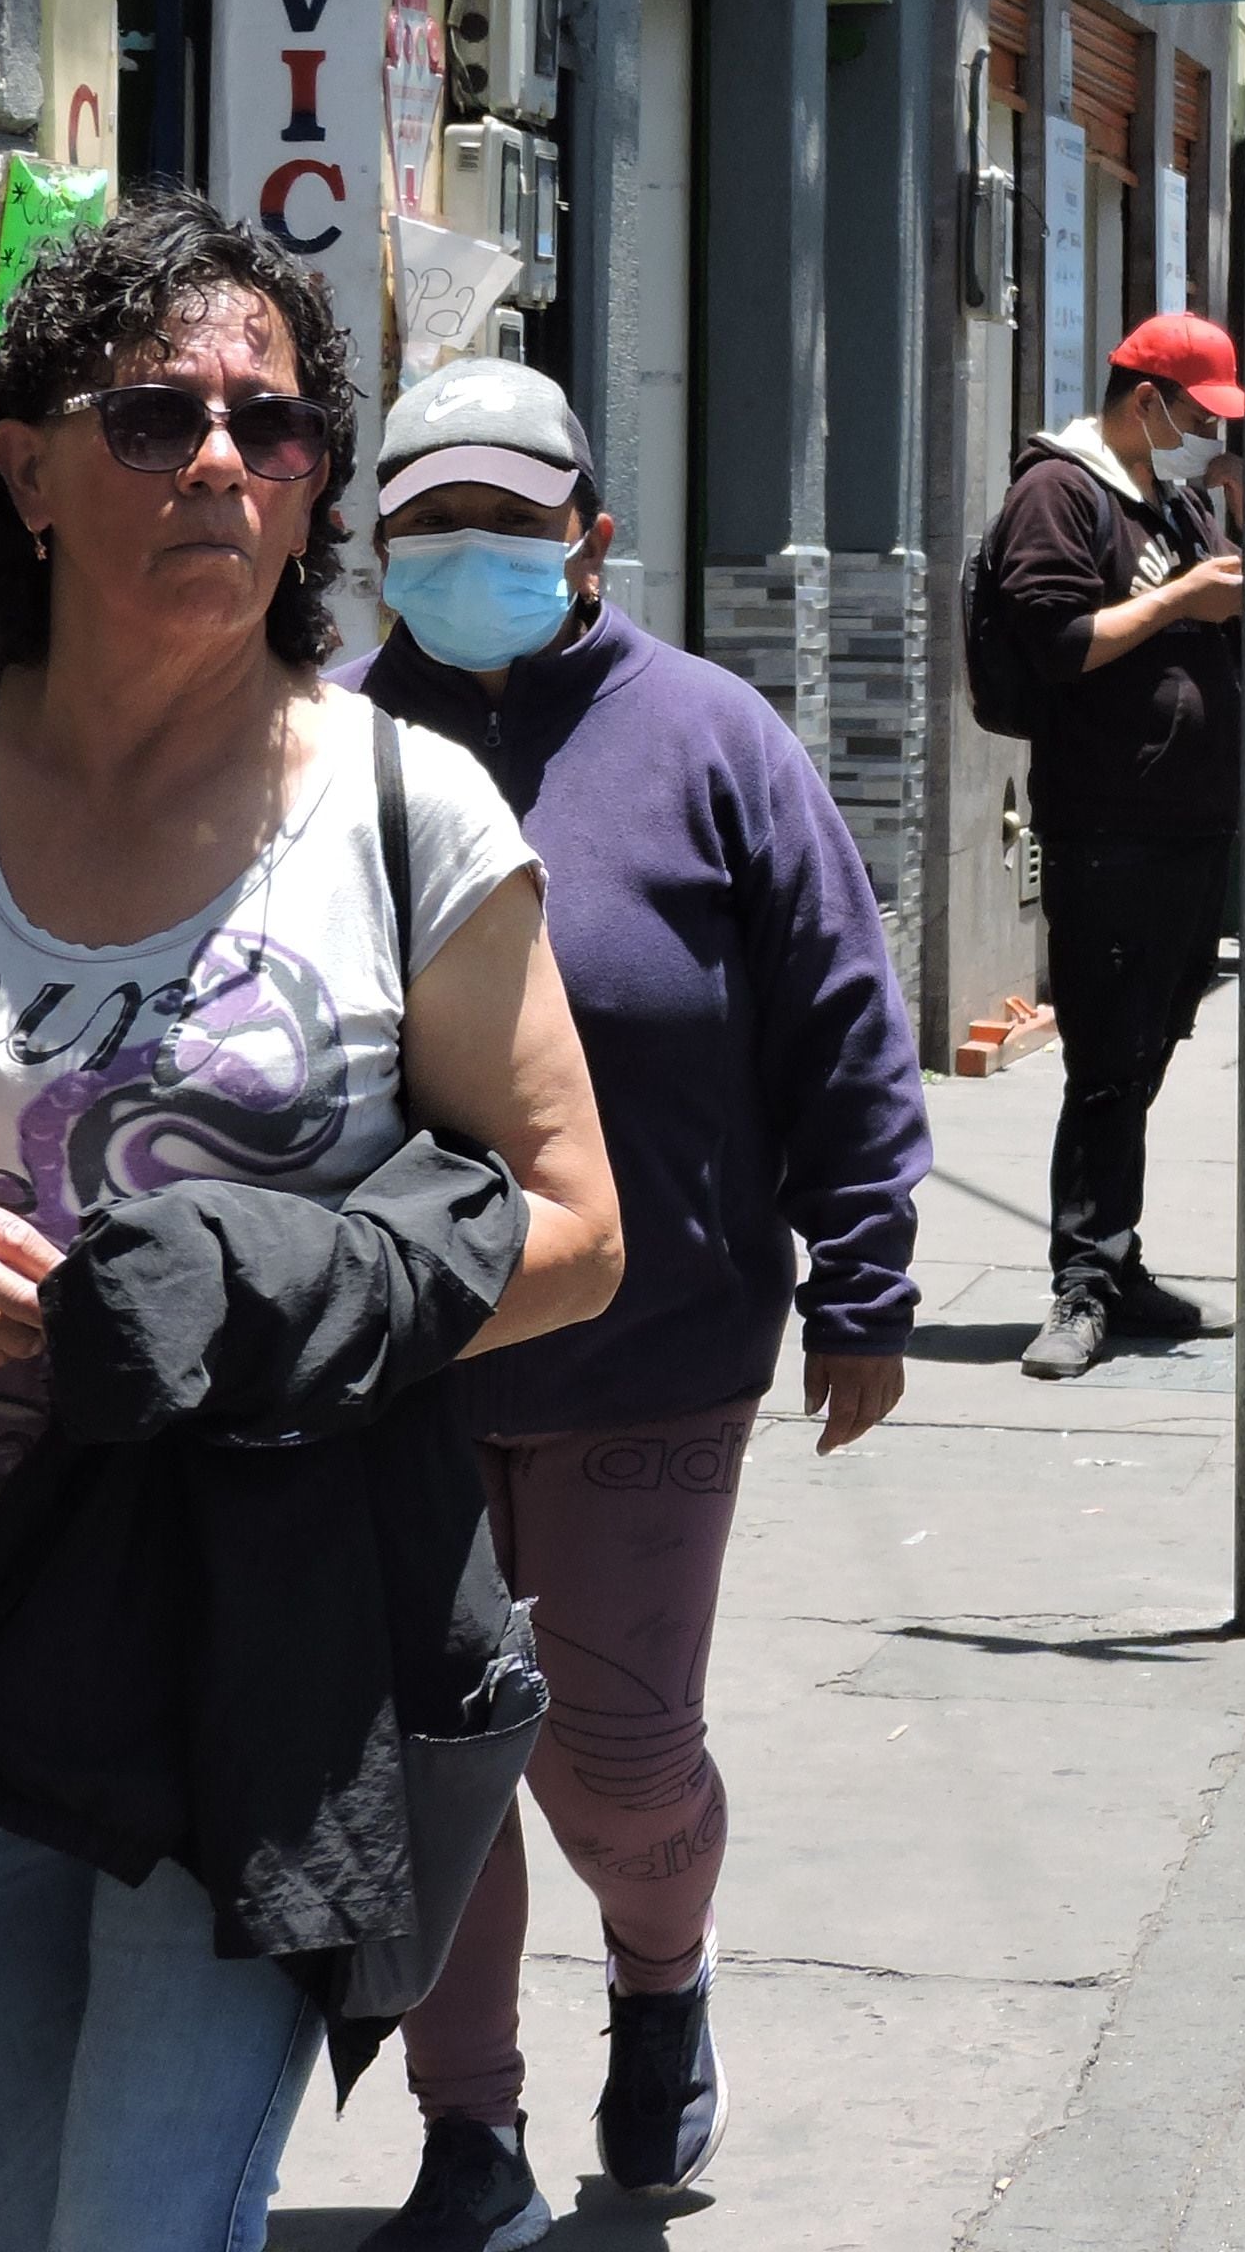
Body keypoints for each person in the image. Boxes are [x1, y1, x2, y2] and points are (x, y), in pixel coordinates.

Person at [0, 197, 623, 2252]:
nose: (218, 462)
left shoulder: (408, 813)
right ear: (22, 465)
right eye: (153, 415)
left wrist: (269, 1297)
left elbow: (572, 1224)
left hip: (252, 1654)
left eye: (271, 430)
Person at [340, 360, 932, 2251]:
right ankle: (469, 2132)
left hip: (653, 1341)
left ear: (589, 535)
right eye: (428, 523)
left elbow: (843, 1012)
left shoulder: (710, 737)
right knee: (434, 1762)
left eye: (507, 522)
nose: (467, 554)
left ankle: (660, 1975)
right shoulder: (328, 744)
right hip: (395, 1358)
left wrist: (866, 1279)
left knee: (609, 1744)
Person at [973, 310, 1245, 1384]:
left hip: (1186, 825)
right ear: (1147, 401)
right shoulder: (1061, 490)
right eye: (1196, 414)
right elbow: (1055, 644)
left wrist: (1236, 514)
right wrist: (1184, 594)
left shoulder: (1168, 497)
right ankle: (1082, 1282)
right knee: (1104, 1061)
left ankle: (1116, 1260)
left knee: (1145, 1050)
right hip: (1109, 827)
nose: (1204, 432)